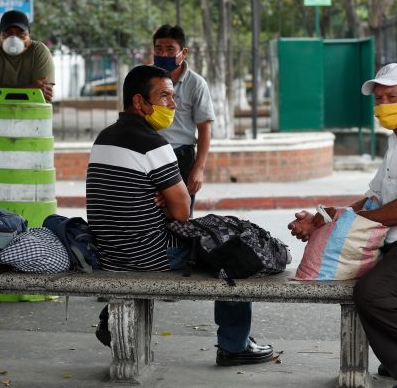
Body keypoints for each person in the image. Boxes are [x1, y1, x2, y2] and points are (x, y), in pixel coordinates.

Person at [288, 63, 397, 388]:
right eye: (379, 98)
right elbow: (373, 197)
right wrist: (325, 219)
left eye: (392, 97)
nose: (383, 105)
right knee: (373, 280)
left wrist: (350, 221)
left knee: (371, 291)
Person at [87, 65, 274, 366]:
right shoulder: (154, 144)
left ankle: (112, 319)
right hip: (149, 255)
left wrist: (163, 199)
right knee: (233, 254)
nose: (173, 105)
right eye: (164, 97)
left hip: (108, 252)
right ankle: (234, 346)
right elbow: (183, 211)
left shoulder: (104, 138)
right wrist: (168, 201)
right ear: (139, 102)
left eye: (173, 97)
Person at [152, 24, 215, 210]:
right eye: (159, 49)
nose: (163, 55)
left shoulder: (196, 84)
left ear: (183, 52)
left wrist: (198, 169)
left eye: (170, 49)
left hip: (181, 158)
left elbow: (205, 128)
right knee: (150, 213)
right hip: (149, 156)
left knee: (181, 216)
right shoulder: (144, 80)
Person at [0, 10, 55, 103]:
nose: (14, 38)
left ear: (29, 34)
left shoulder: (39, 51)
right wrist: (30, 89)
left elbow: (45, 96)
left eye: (21, 33)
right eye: (8, 32)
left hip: (33, 116)